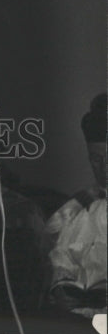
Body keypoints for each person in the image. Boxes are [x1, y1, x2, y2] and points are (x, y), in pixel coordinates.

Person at [43, 93, 107, 320]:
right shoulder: (79, 211)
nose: (105, 169)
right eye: (96, 160)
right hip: (80, 322)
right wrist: (60, 289)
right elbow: (62, 262)